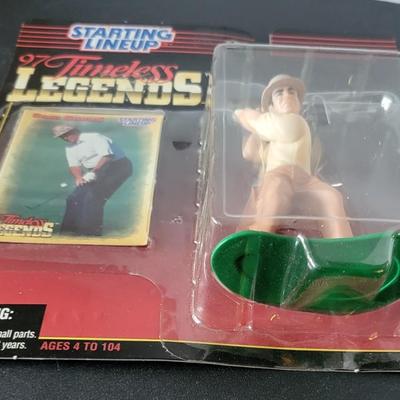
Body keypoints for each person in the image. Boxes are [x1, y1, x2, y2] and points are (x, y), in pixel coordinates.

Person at [234, 74, 352, 238]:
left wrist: (242, 114)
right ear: (271, 106)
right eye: (279, 93)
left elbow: (263, 124)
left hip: (303, 177)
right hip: (278, 175)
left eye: (291, 92)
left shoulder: (295, 122)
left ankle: (341, 242)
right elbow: (249, 153)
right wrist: (257, 131)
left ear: (299, 103)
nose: (287, 96)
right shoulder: (271, 137)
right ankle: (258, 236)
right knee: (275, 191)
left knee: (330, 196)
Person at [53, 125, 133, 236]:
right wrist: (79, 178)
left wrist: (93, 172)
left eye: (66, 134)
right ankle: (68, 232)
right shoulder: (69, 148)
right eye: (62, 137)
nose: (65, 138)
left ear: (75, 131)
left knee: (93, 196)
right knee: (73, 198)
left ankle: (91, 233)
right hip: (96, 170)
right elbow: (73, 165)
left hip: (118, 167)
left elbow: (108, 156)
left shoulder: (94, 137)